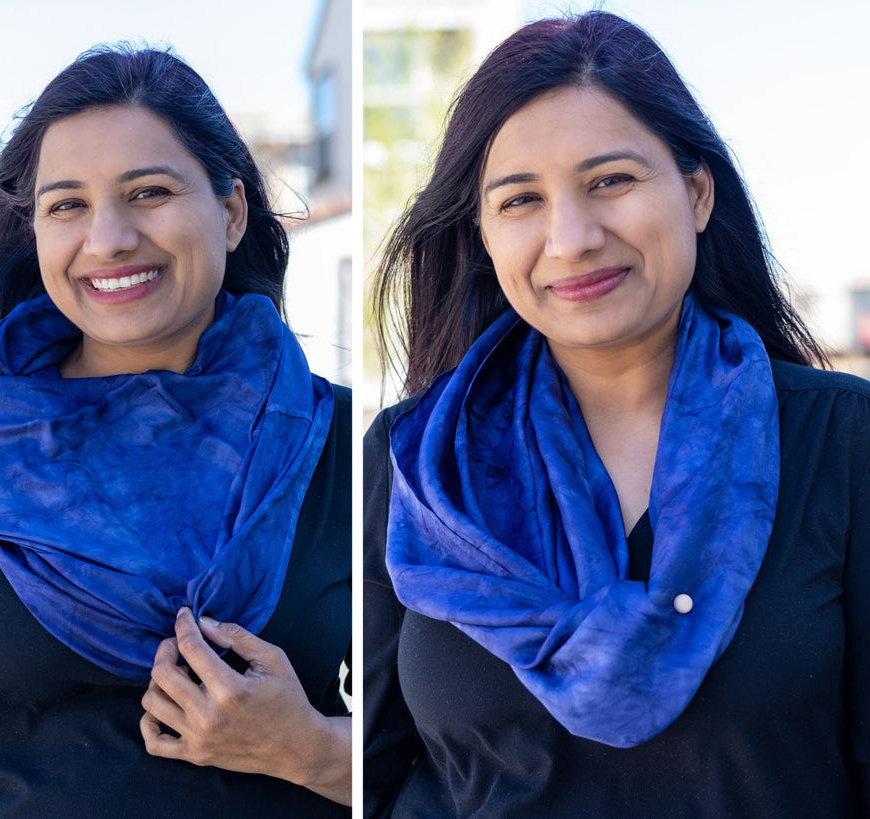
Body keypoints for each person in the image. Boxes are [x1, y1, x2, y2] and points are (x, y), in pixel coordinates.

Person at [364, 11, 869, 818]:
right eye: (521, 199)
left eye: (611, 181)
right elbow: (378, 773)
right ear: (484, 234)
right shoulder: (418, 462)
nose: (571, 238)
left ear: (697, 193)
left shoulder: (844, 440)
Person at [0, 45, 351, 817]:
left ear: (233, 211)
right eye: (67, 205)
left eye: (148, 192)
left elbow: (458, 749)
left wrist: (317, 750)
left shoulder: (344, 445)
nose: (108, 238)